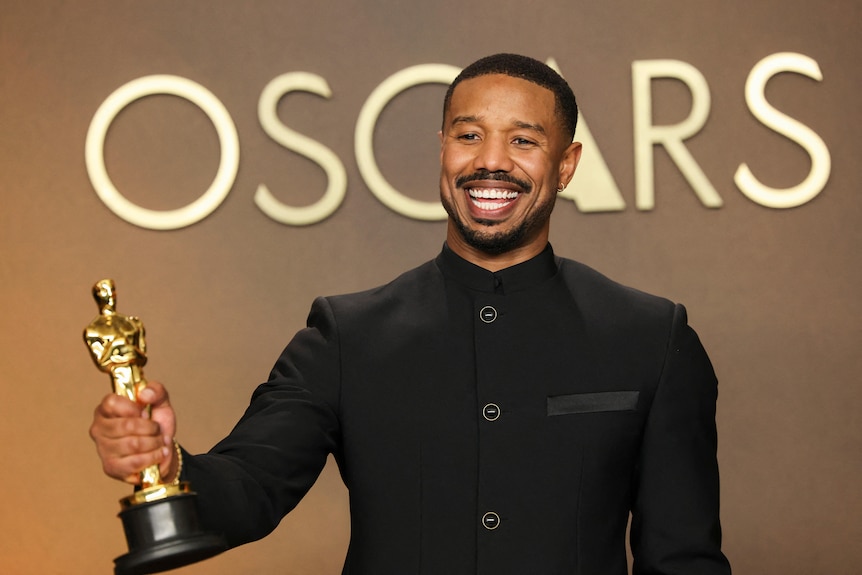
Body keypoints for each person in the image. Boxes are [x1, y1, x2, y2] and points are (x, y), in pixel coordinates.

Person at [90, 53, 732, 574]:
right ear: (443, 149)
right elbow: (249, 489)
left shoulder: (652, 337)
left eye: (524, 141)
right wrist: (166, 465)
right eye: (469, 135)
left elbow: (683, 559)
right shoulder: (345, 336)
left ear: (565, 166)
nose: (491, 161)